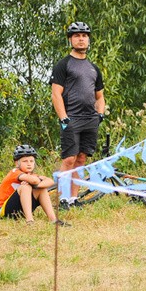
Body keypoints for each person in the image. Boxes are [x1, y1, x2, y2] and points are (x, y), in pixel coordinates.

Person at [50, 21, 106, 206]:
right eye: (77, 36)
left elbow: (100, 96)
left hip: (90, 119)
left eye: (84, 36)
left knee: (81, 159)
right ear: (70, 40)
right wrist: (63, 118)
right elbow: (56, 94)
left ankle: (73, 199)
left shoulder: (94, 68)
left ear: (88, 39)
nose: (81, 39)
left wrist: (100, 114)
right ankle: (62, 199)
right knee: (69, 159)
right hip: (71, 119)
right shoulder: (63, 65)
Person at [0, 144, 66, 226]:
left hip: (18, 211)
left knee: (41, 189)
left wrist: (36, 186)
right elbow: (34, 180)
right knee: (25, 187)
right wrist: (33, 183)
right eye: (25, 161)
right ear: (17, 163)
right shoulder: (15, 172)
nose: (29, 164)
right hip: (3, 211)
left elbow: (50, 181)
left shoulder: (31, 175)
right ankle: (30, 221)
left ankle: (53, 219)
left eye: (31, 161)